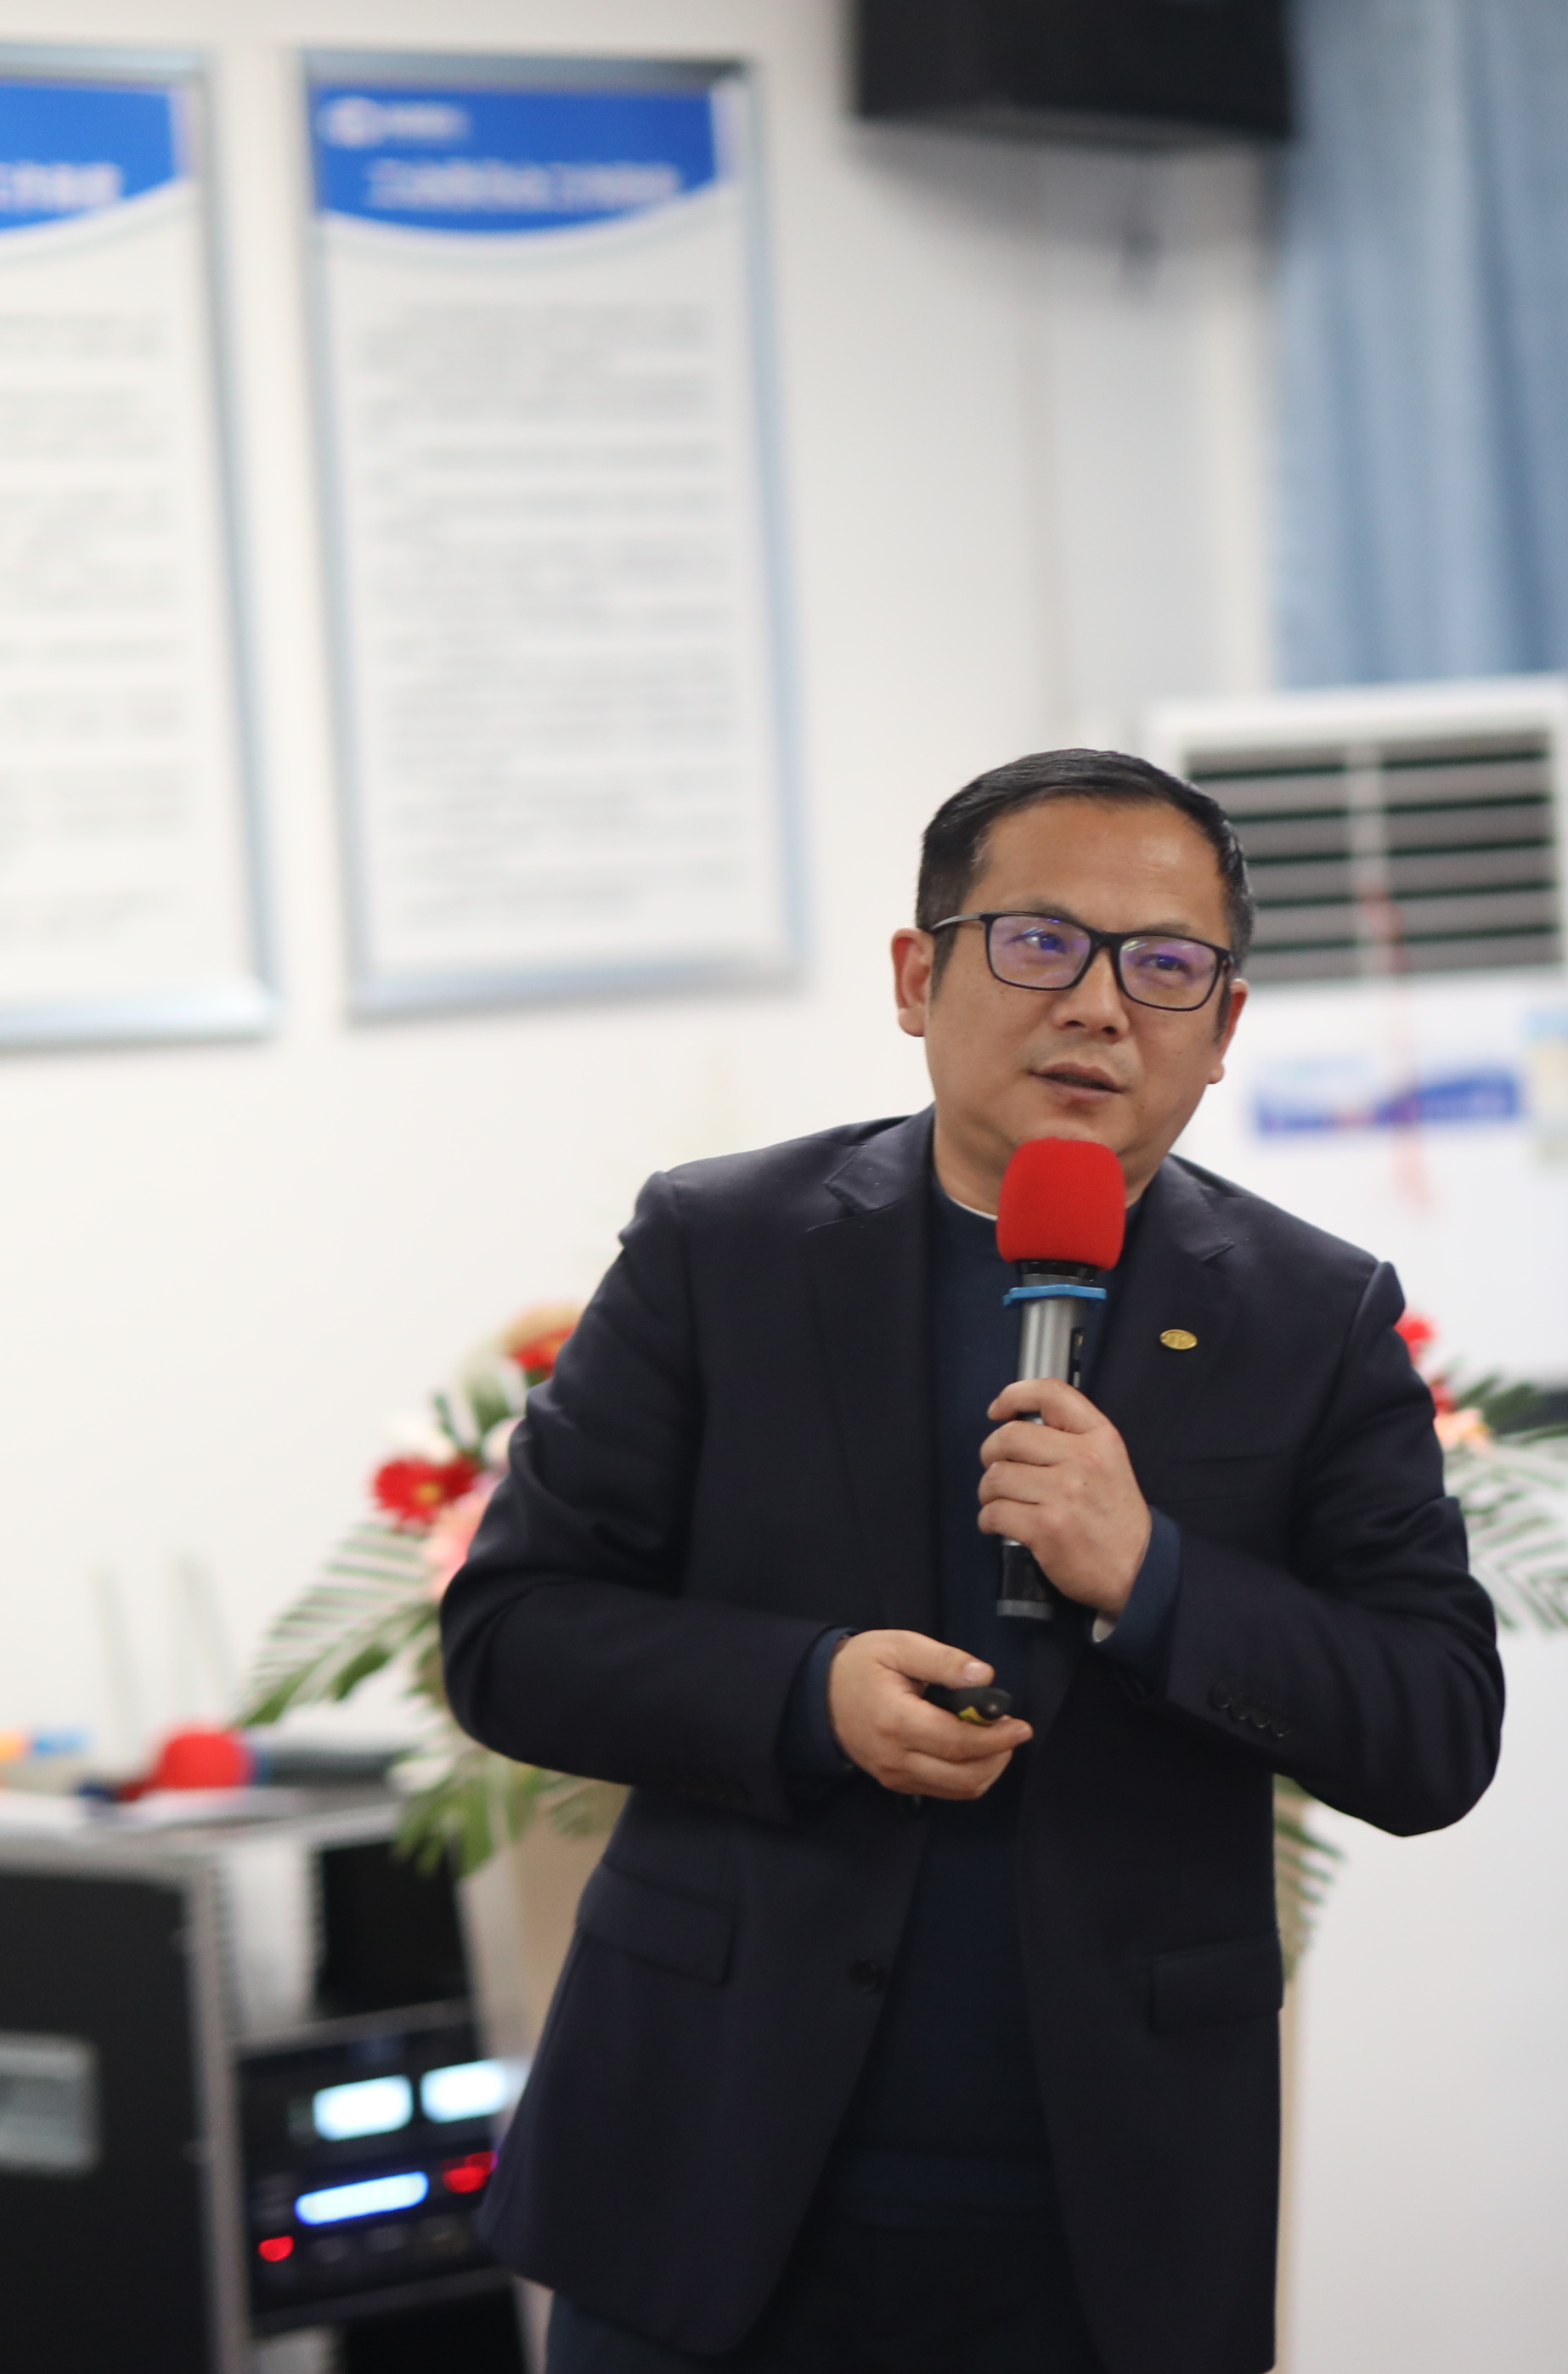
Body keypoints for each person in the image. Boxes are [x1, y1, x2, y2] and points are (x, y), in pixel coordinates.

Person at [439, 749, 1505, 2374]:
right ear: (916, 977)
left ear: (1223, 1027)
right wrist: (807, 1694)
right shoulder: (721, 1252)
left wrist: (1154, 1575)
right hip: (710, 2177)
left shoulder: (1312, 1316)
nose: (1099, 1005)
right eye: (1039, 941)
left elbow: (1435, 1728)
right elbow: (511, 1634)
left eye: (1165, 965)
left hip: (1102, 2218)